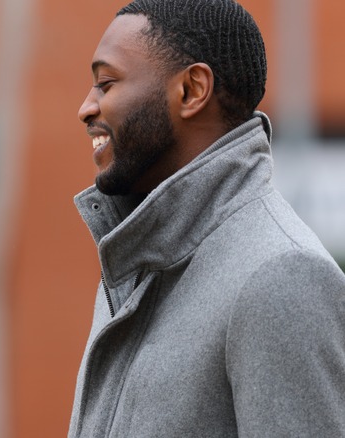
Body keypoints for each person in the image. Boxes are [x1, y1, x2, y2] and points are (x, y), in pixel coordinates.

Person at [68, 0, 345, 436]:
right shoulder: (135, 268)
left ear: (192, 90)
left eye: (106, 84)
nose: (86, 108)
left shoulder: (280, 275)